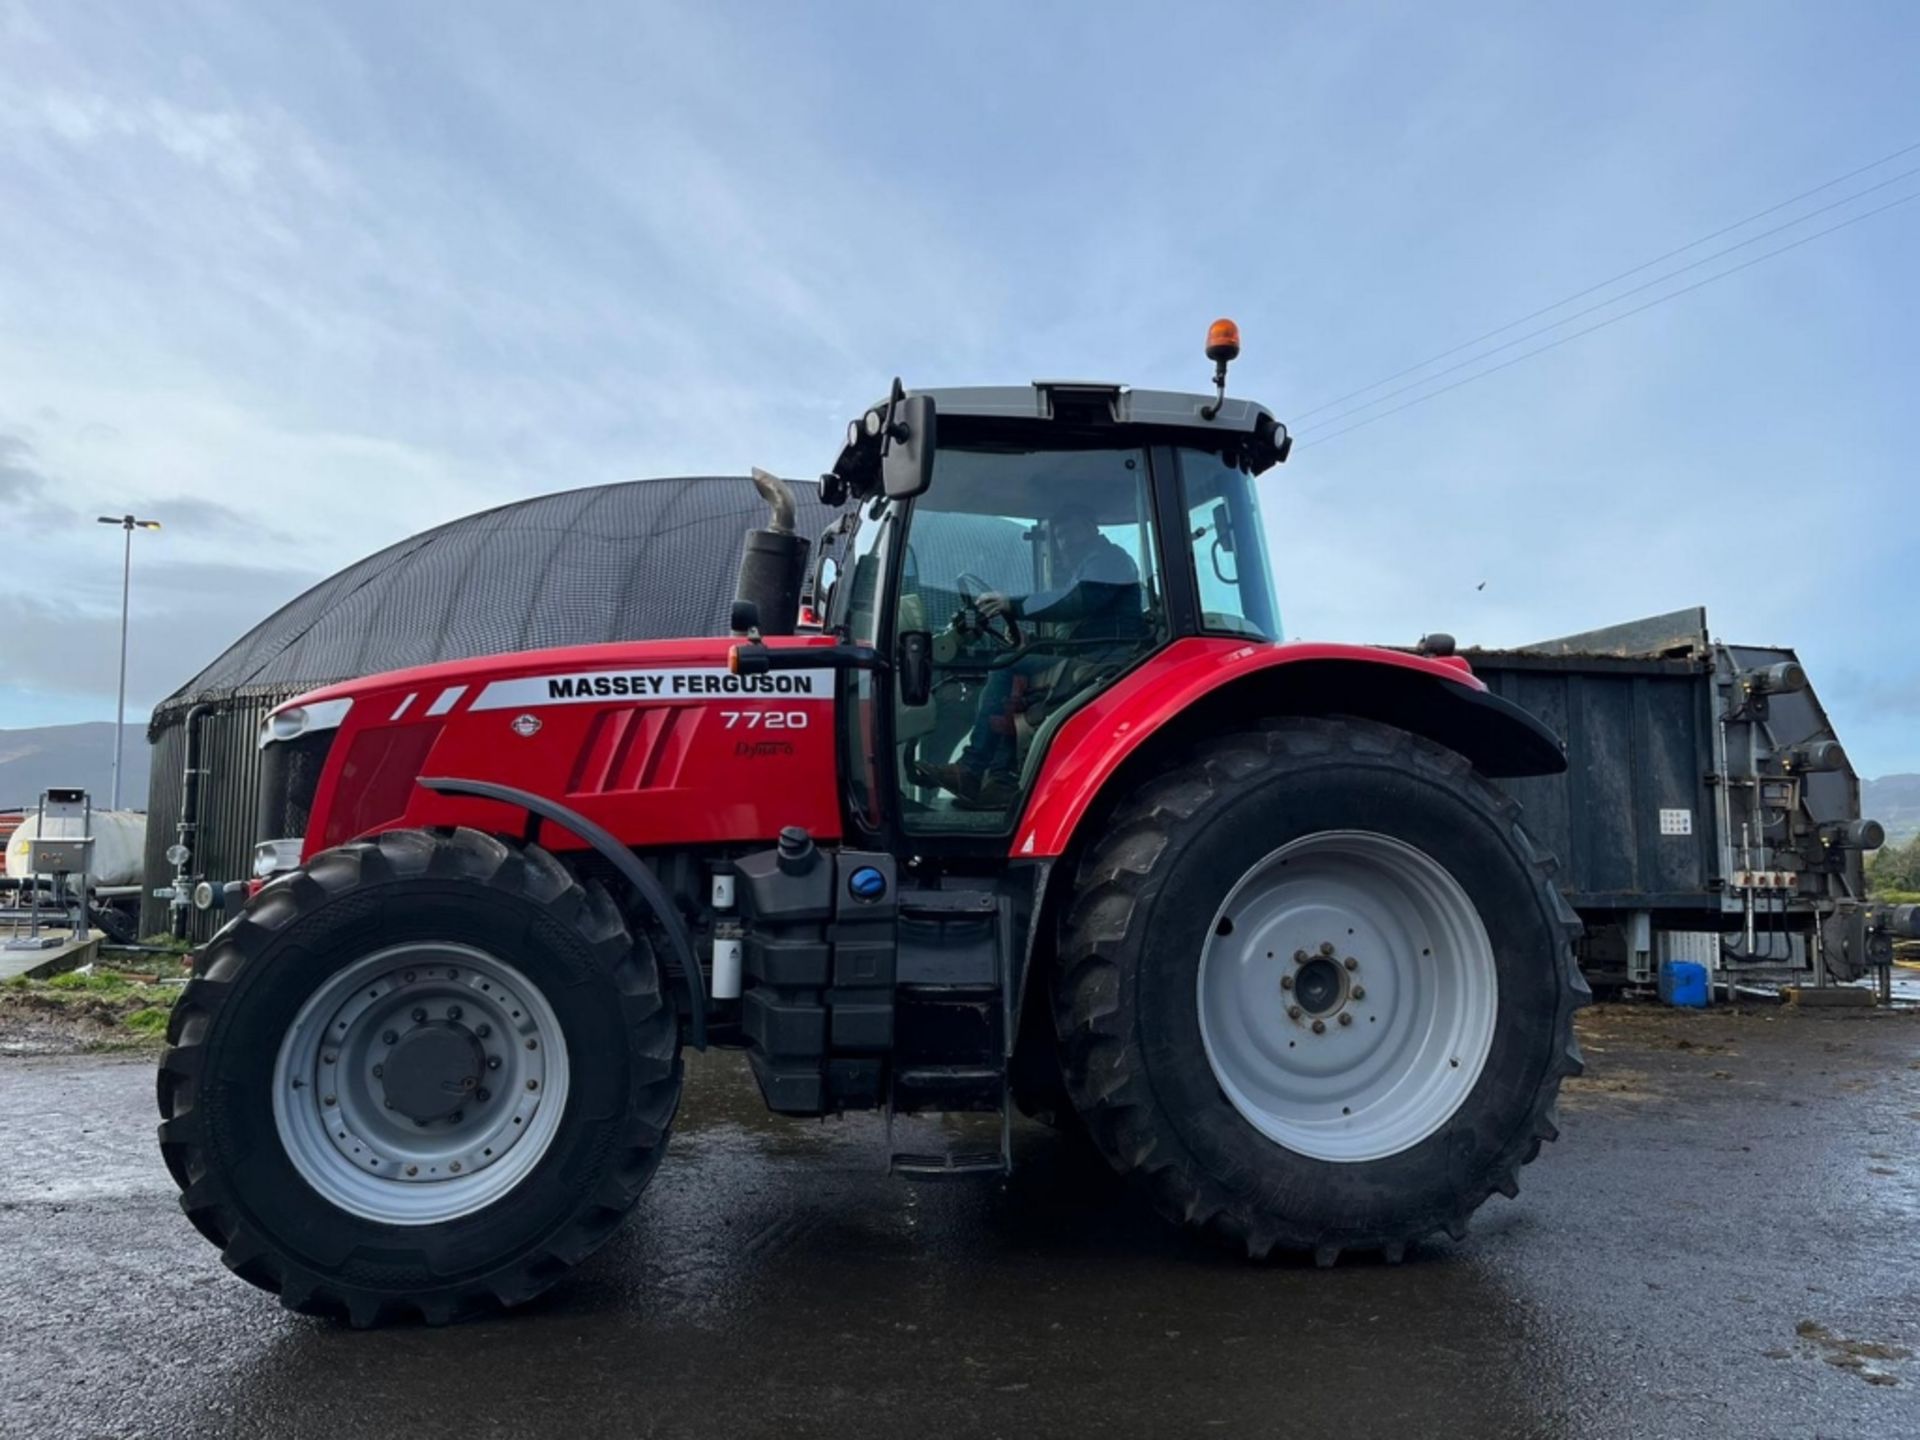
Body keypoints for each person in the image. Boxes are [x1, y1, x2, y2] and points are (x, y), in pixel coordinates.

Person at [917, 503, 1141, 806]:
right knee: (1015, 674)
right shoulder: (1090, 565)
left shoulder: (1109, 560)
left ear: (1090, 528)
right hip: (1091, 653)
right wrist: (1032, 640)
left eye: (1068, 533)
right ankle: (999, 780)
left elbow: (1077, 602)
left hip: (1107, 659)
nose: (1063, 543)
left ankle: (971, 769)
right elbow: (1078, 624)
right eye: (1058, 537)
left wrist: (1014, 605)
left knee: (1006, 667)